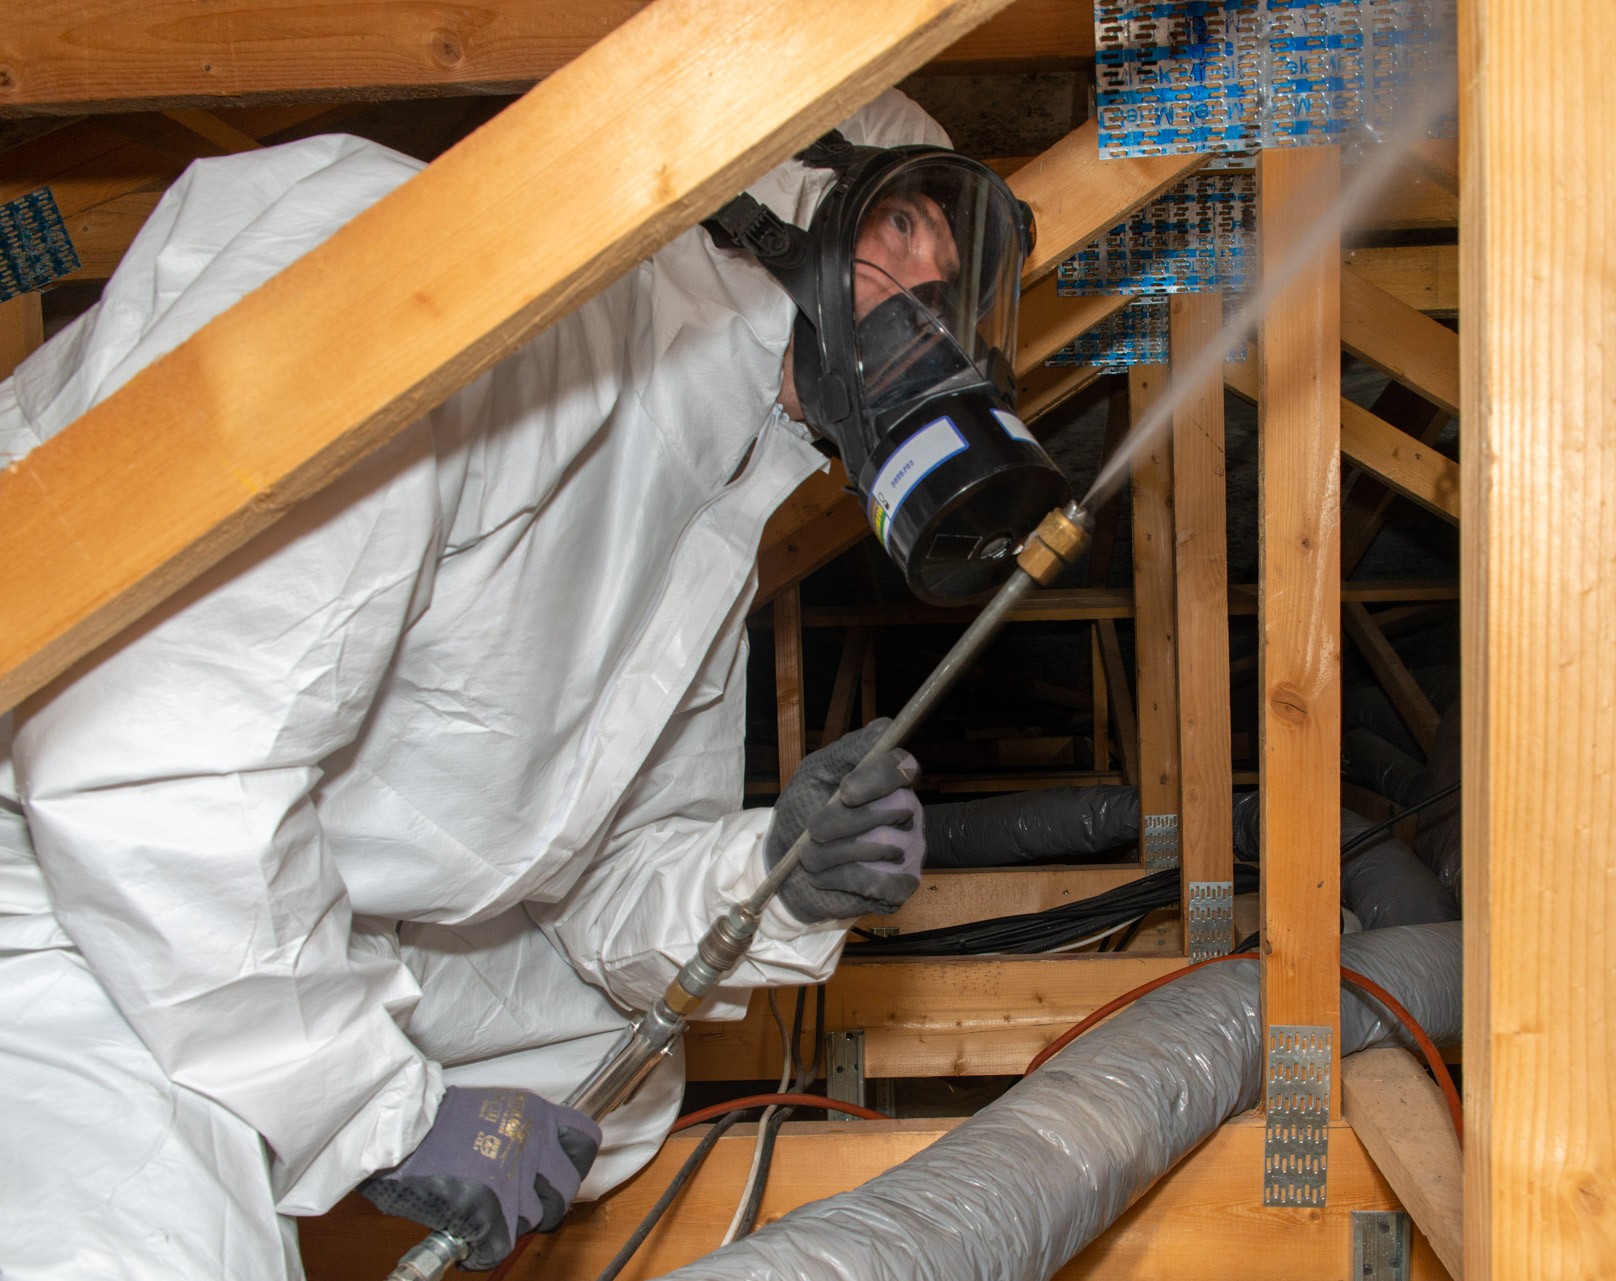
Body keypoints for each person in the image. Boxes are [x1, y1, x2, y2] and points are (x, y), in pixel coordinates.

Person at [0, 89, 1040, 1278]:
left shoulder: (708, 509)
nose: (935, 311)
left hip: (210, 907)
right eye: (902, 224)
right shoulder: (442, 288)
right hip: (54, 895)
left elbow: (599, 884)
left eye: (957, 283)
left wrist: (776, 874)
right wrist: (378, 1115)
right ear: (765, 196)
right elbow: (147, 748)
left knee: (603, 1066)